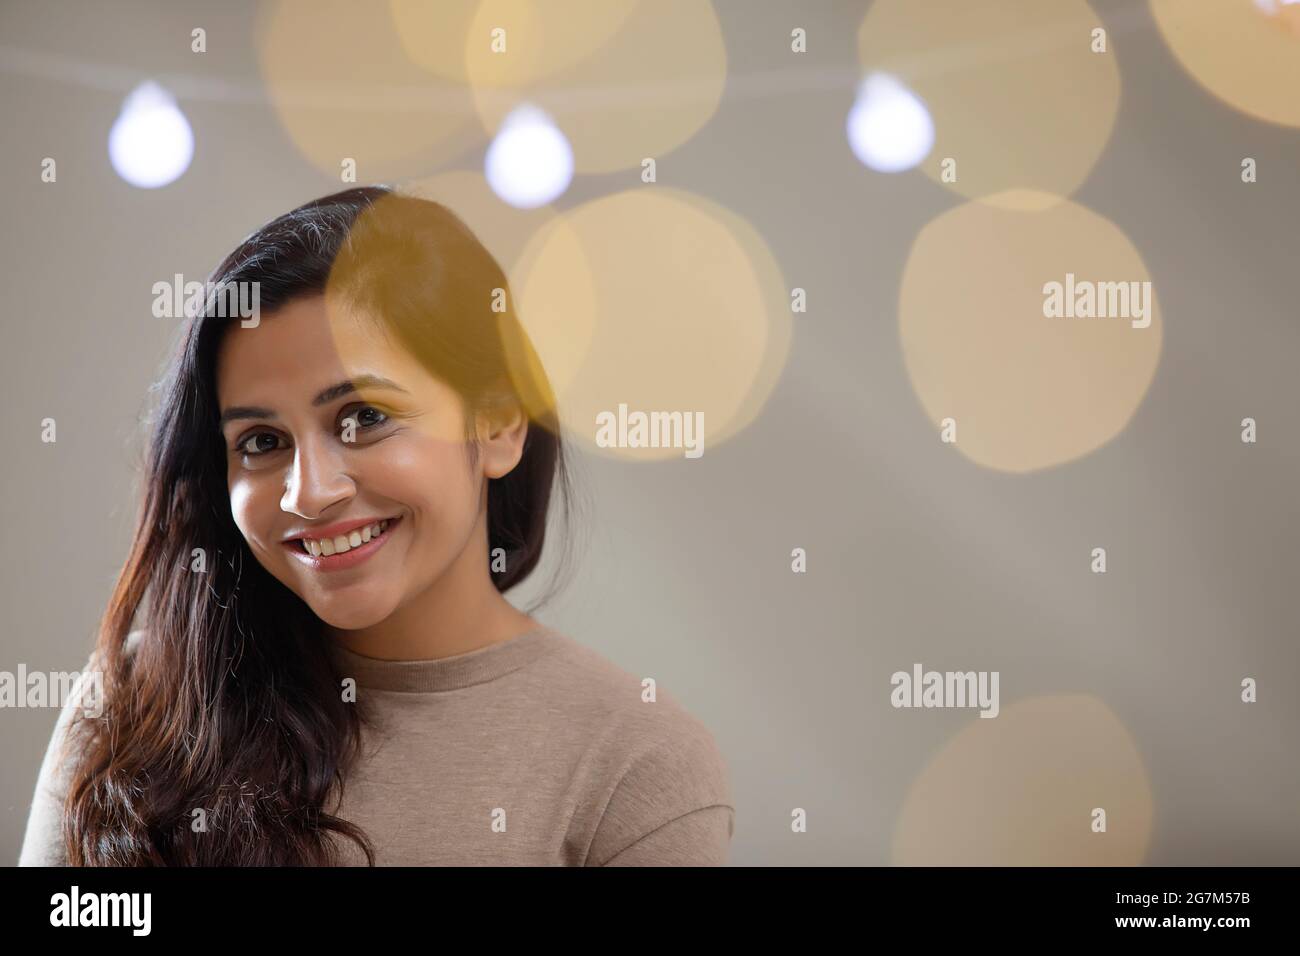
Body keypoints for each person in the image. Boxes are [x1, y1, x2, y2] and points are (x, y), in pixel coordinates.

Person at [18, 186, 734, 866]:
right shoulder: (138, 699)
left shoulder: (636, 763)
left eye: (363, 418)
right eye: (262, 441)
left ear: (499, 425)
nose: (310, 493)